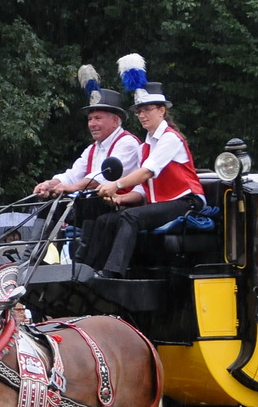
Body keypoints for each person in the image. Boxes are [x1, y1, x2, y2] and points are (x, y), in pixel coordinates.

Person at [78, 55, 204, 279]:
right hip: (162, 204)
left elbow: (146, 172)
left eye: (147, 110)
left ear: (162, 110)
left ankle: (112, 274)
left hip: (186, 202)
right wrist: (120, 199)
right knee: (106, 220)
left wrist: (115, 185)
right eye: (139, 111)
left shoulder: (170, 138)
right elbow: (144, 190)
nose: (142, 115)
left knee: (131, 217)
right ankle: (87, 271)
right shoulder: (145, 145)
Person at [32, 71, 142, 200]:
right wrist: (48, 185)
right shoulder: (92, 149)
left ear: (115, 121)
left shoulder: (127, 143)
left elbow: (102, 178)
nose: (92, 124)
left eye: (97, 118)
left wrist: (73, 187)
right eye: (90, 119)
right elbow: (72, 176)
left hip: (122, 207)